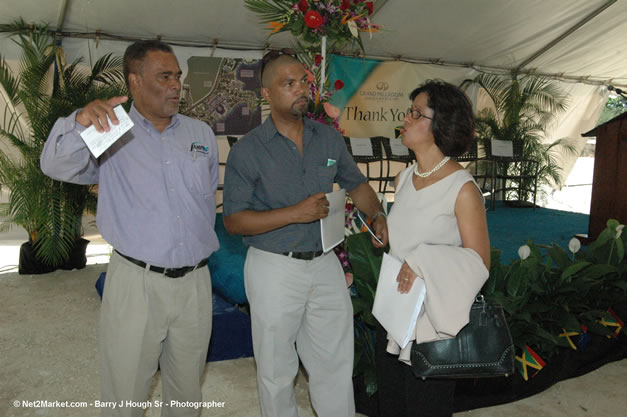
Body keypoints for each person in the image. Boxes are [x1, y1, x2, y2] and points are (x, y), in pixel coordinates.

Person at [40, 40, 219, 417]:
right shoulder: (110, 128)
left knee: (187, 394)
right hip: (137, 283)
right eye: (165, 77)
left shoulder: (200, 134)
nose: (176, 86)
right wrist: (78, 122)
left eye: (178, 76)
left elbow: (204, 206)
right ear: (135, 82)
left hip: (196, 284)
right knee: (125, 394)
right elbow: (54, 165)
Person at [222, 52, 389, 417]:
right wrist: (295, 214)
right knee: (277, 370)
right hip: (274, 267)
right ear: (266, 94)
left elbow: (356, 185)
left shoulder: (327, 139)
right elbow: (234, 221)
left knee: (335, 363)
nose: (301, 90)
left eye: (303, 82)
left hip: (326, 263)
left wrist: (376, 214)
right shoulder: (248, 150)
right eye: (289, 83)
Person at [375, 80, 491, 417]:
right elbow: (407, 239)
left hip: (432, 324)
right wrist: (385, 231)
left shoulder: (463, 189)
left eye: (416, 113)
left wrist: (422, 260)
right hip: (394, 314)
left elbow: (479, 262)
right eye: (408, 111)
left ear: (440, 125)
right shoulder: (404, 178)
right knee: (392, 405)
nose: (406, 119)